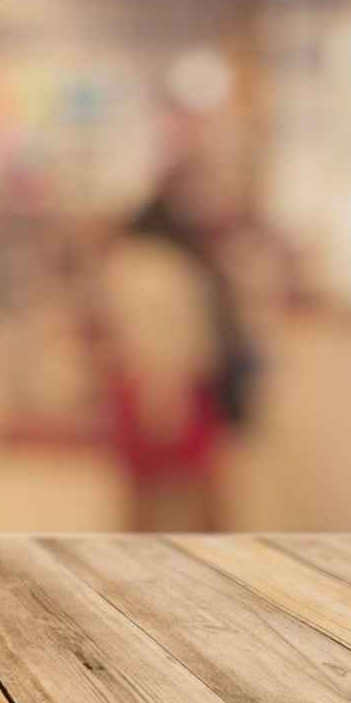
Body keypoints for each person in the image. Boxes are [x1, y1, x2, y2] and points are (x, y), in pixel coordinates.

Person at [96, 170, 257, 532]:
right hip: (178, 383)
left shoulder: (126, 264)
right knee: (200, 489)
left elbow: (128, 333)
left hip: (145, 382)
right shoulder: (176, 266)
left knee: (144, 492)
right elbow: (181, 336)